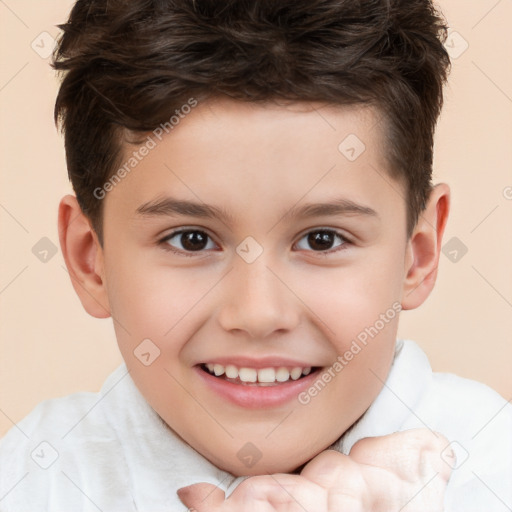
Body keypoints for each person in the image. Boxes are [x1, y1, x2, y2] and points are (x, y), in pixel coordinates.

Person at [1, 0, 510, 510]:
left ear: (416, 255)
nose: (259, 314)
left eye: (322, 239)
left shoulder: (491, 469)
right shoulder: (33, 478)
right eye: (191, 239)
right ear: (92, 261)